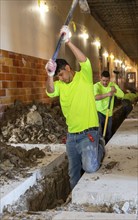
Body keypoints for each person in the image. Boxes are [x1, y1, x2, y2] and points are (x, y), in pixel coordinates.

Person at [45, 25, 105, 189]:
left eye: (61, 74)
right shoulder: (59, 84)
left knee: (90, 167)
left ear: (68, 68)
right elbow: (50, 91)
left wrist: (68, 41)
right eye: (57, 76)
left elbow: (84, 60)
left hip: (89, 133)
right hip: (71, 135)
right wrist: (49, 76)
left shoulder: (83, 76)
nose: (60, 78)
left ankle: (99, 147)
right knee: (73, 173)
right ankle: (73, 202)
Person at [94, 71, 124, 144]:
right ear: (100, 78)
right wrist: (107, 94)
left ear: (109, 80)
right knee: (100, 131)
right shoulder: (96, 86)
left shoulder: (112, 85)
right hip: (99, 112)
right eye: (103, 80)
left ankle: (107, 146)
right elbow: (95, 97)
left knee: (109, 132)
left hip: (109, 113)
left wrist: (115, 90)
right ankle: (99, 146)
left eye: (107, 81)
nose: (105, 82)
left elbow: (122, 95)